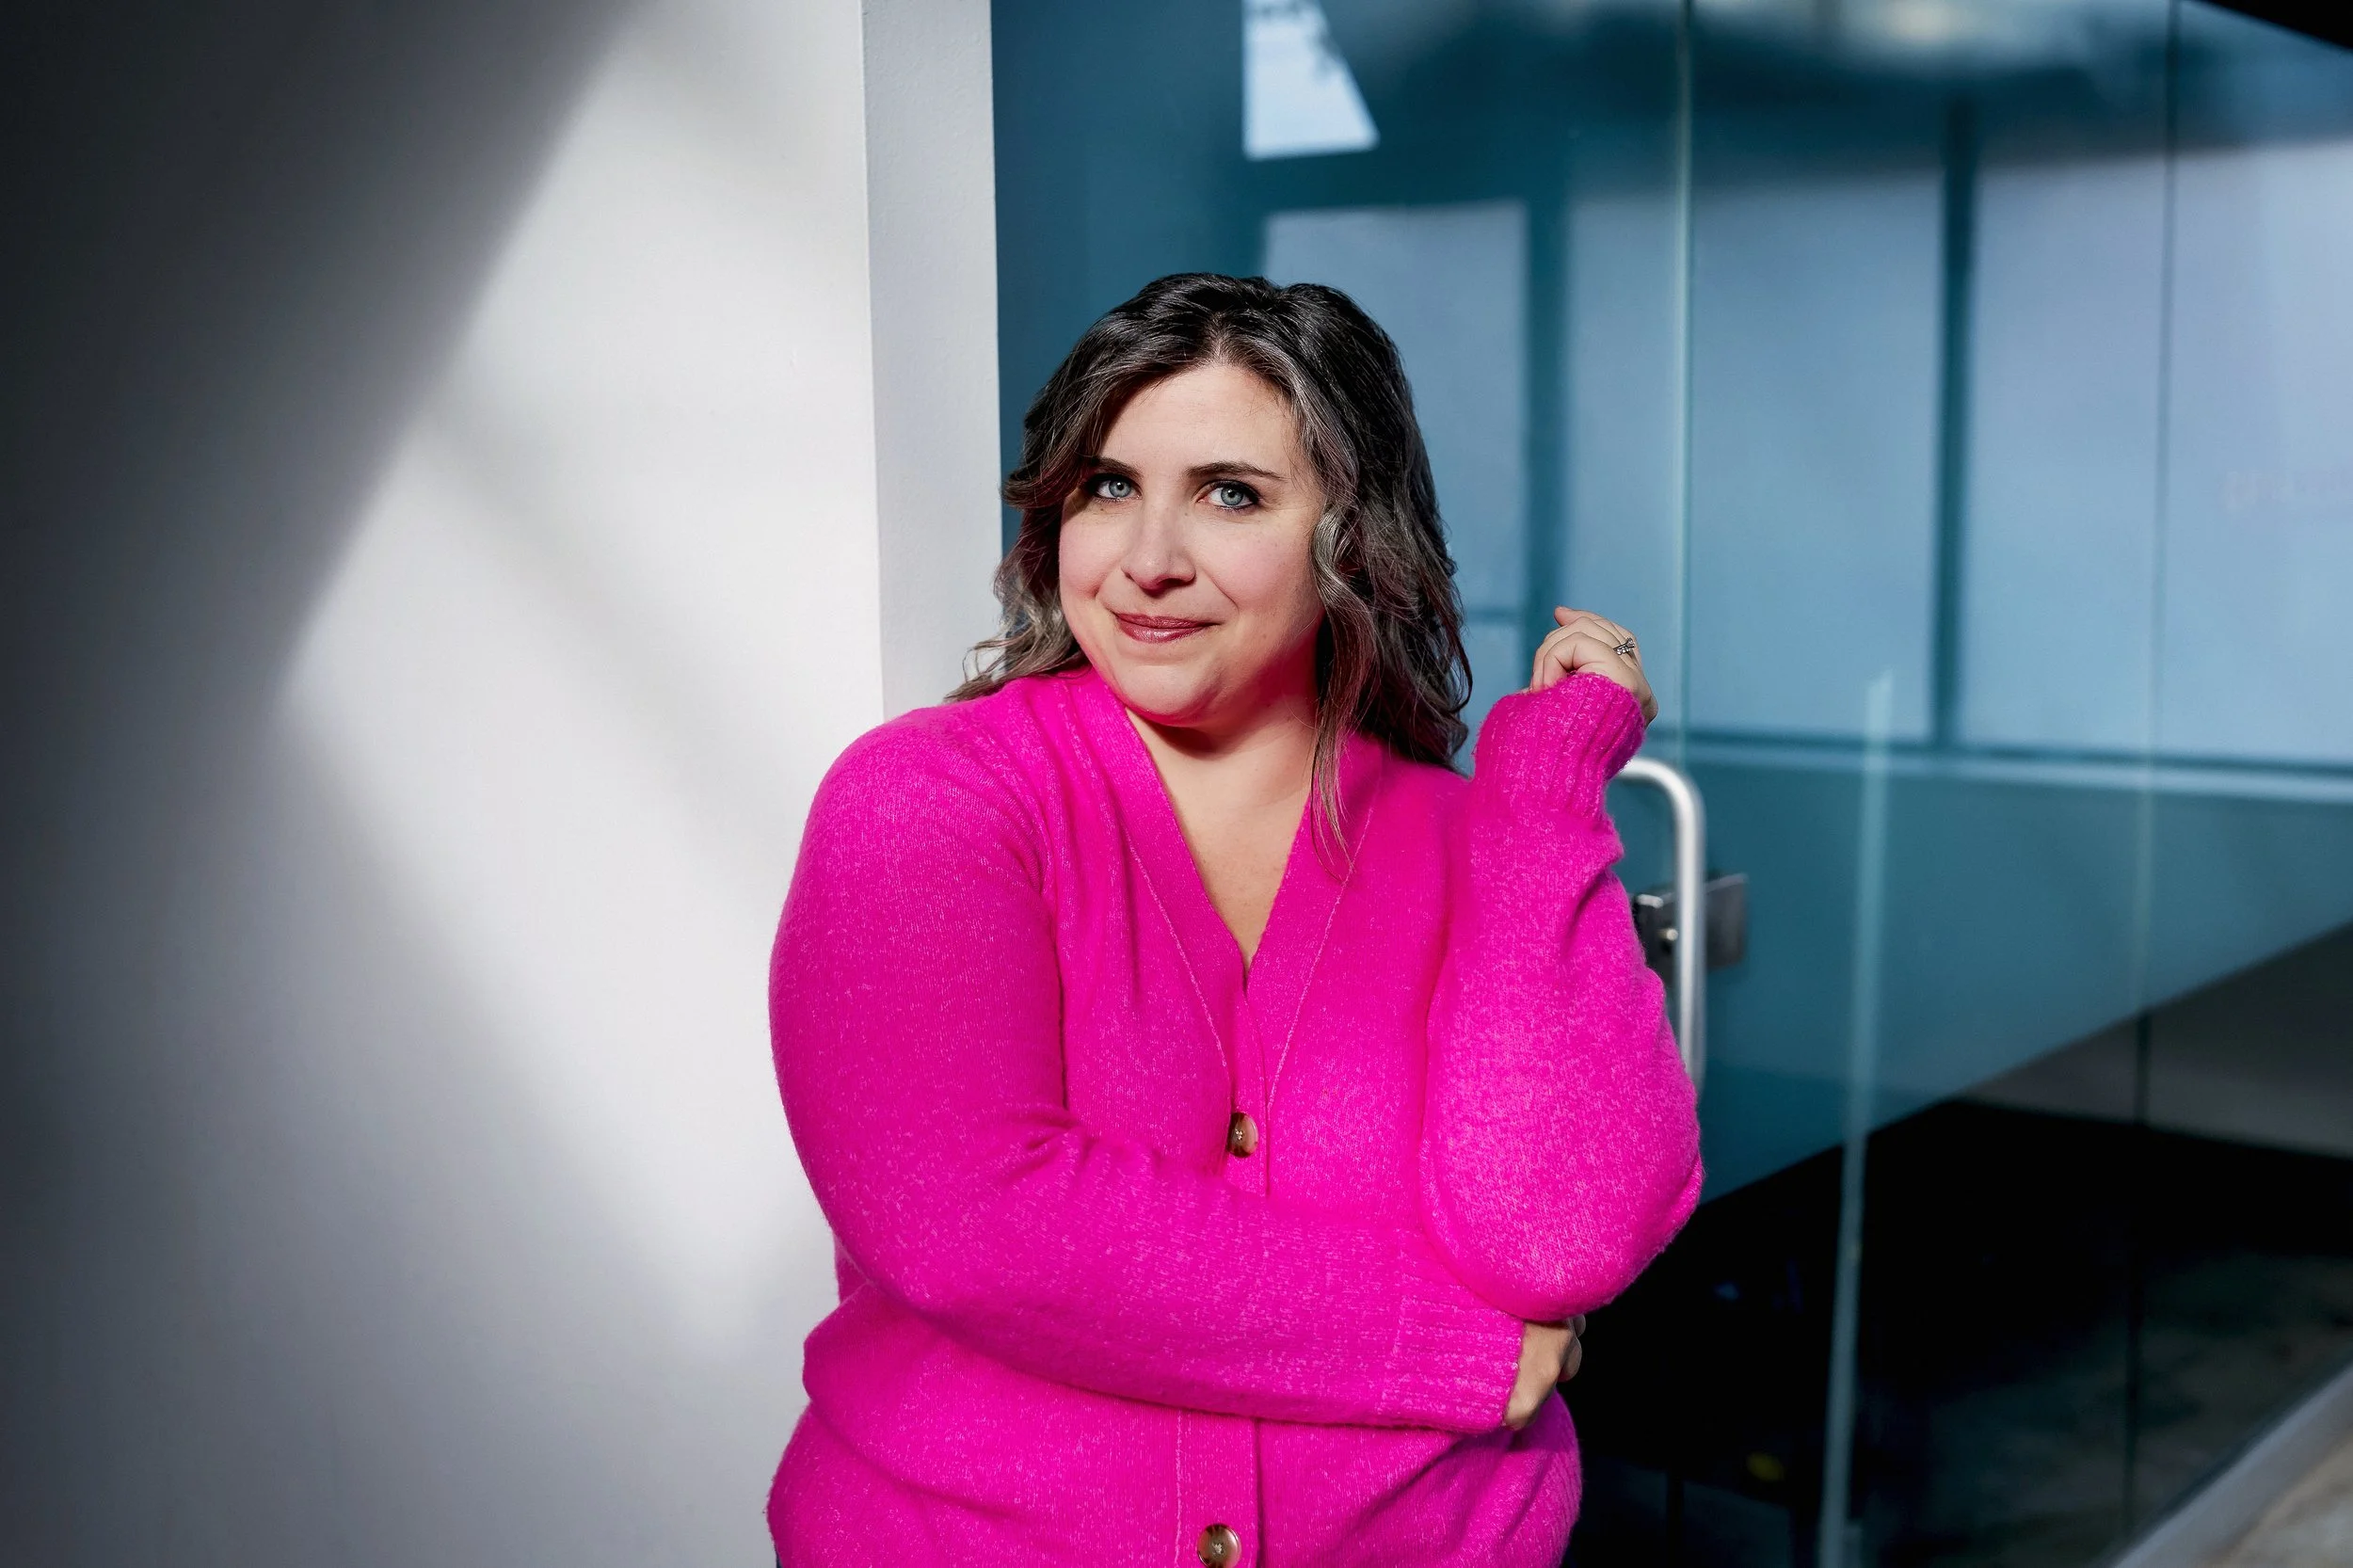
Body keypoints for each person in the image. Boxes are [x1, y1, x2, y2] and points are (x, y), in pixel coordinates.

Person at [765, 273, 1702, 1565]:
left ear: (1352, 536)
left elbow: (1554, 1235)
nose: (1148, 557)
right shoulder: (927, 803)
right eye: (1106, 486)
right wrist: (1457, 1348)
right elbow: (975, 1224)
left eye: (1230, 492)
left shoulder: (1462, 841)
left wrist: (1544, 787)